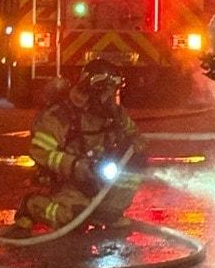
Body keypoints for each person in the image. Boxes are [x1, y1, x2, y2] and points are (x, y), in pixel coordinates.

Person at [14, 58, 138, 230]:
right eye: (106, 93)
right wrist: (76, 166)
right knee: (74, 221)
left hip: (99, 177)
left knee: (136, 165)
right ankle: (32, 205)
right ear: (92, 89)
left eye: (113, 92)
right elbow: (40, 151)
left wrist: (136, 147)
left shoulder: (113, 112)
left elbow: (133, 134)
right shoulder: (61, 115)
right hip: (69, 182)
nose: (110, 98)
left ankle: (107, 214)